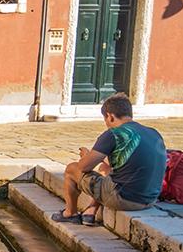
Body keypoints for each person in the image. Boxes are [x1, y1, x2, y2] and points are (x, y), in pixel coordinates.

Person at [53, 93, 167, 226]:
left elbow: (83, 167)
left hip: (124, 199)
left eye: (105, 119)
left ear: (110, 116)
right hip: (150, 199)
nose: (106, 123)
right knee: (105, 169)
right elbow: (125, 163)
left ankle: (70, 213)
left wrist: (86, 156)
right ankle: (91, 210)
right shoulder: (153, 132)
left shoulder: (114, 133)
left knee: (72, 169)